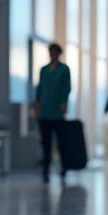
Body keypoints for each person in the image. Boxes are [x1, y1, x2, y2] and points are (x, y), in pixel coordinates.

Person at [34, 42, 71, 183]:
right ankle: (46, 171)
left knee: (61, 142)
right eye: (50, 51)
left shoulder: (64, 69)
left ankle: (63, 167)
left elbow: (66, 88)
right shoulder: (44, 70)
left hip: (57, 112)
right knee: (46, 143)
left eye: (54, 51)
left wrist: (63, 103)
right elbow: (39, 88)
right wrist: (37, 106)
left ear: (58, 53)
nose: (52, 54)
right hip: (45, 112)